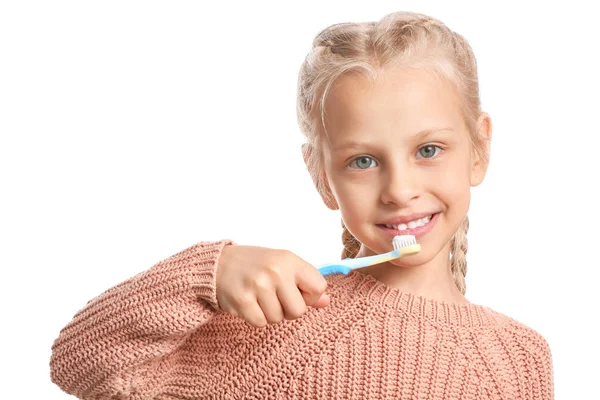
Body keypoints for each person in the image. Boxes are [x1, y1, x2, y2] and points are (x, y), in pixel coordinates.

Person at [50, 11, 554, 399]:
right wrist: (209, 272)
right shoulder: (281, 327)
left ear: (479, 150)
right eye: (362, 161)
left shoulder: (521, 358)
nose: (399, 189)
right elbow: (81, 363)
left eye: (428, 150)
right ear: (321, 175)